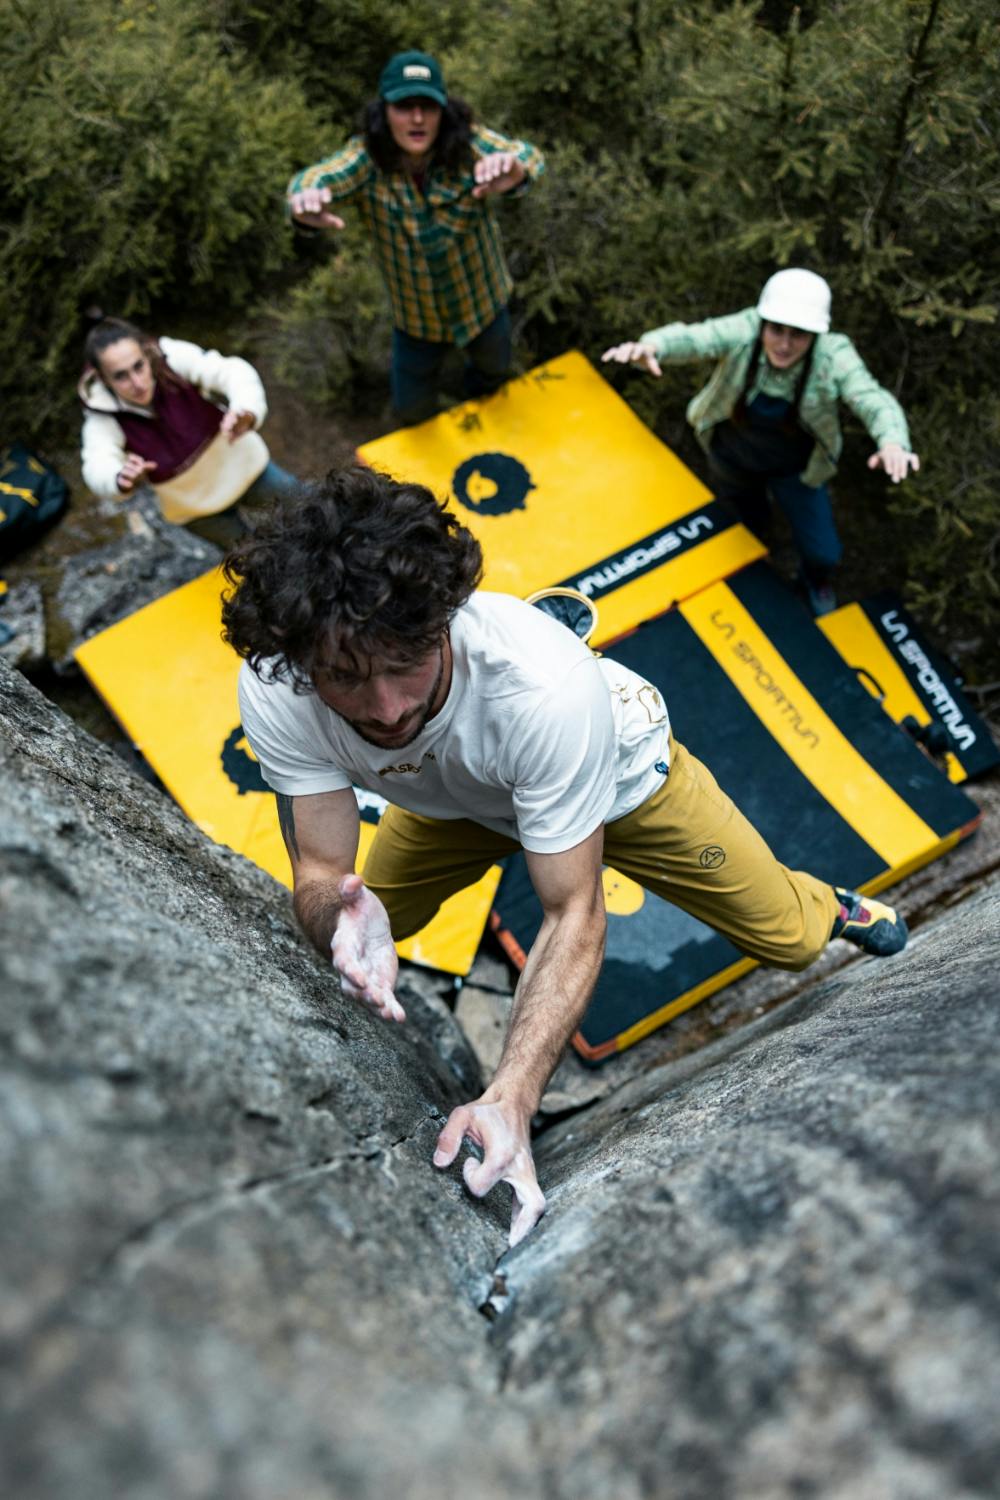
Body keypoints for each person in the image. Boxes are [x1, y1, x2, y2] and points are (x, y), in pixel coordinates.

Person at [222, 467, 910, 1249]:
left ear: (445, 618)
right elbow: (318, 870)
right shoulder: (279, 683)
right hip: (458, 802)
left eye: (404, 663)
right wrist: (331, 915)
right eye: (346, 678)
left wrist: (510, 1099)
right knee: (364, 927)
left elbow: (571, 911)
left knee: (788, 940)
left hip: (616, 779)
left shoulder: (544, 689)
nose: (388, 709)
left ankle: (832, 905)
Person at [602, 269, 920, 615]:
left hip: (797, 471)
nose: (784, 344)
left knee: (823, 552)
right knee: (746, 522)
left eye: (798, 335)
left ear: (815, 334)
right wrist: (653, 346)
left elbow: (870, 397)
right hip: (734, 457)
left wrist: (892, 442)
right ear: (764, 322)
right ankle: (754, 557)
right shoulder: (746, 329)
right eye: (777, 330)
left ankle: (814, 581)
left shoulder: (833, 356)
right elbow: (698, 338)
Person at [286, 50, 544, 425]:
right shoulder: (367, 159)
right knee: (411, 410)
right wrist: (304, 199)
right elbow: (318, 177)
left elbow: (524, 154)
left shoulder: (466, 145)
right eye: (405, 106)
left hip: (484, 305)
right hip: (416, 319)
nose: (418, 119)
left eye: (428, 106)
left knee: (493, 378)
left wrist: (515, 169)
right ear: (385, 110)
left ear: (444, 110)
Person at [79, 316, 300, 547]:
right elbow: (97, 464)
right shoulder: (102, 416)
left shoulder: (172, 360)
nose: (137, 382)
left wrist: (246, 410)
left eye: (138, 366)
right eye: (120, 376)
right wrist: (119, 478)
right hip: (197, 510)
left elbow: (230, 372)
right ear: (102, 377)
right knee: (256, 561)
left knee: (313, 512)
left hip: (247, 471)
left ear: (146, 354)